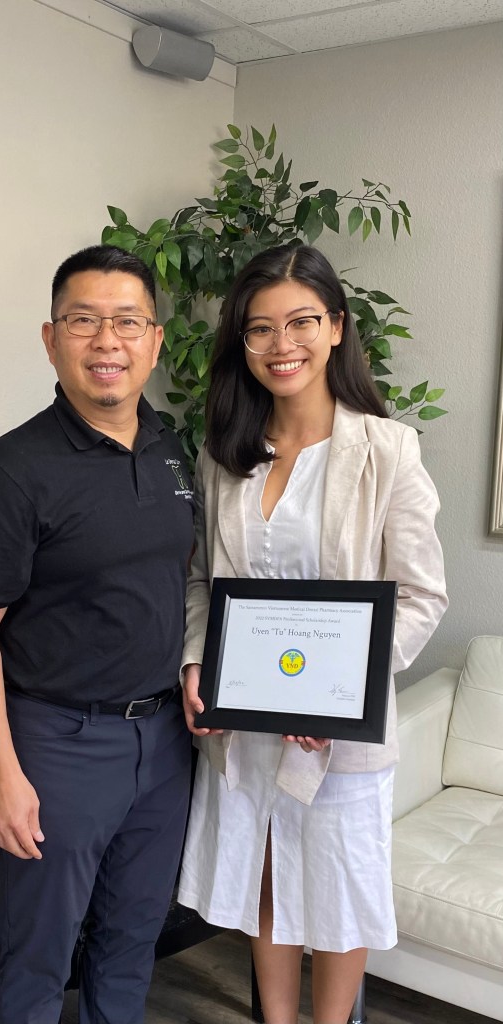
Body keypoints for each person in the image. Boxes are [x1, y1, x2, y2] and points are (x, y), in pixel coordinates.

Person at [178, 243, 447, 1024]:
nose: (281, 344)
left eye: (300, 322)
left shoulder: (386, 451)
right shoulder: (224, 453)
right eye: (260, 328)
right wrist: (196, 663)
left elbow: (421, 595)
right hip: (246, 721)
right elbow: (201, 582)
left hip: (335, 729)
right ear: (242, 342)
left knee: (337, 896)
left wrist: (338, 693)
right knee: (265, 876)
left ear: (335, 327)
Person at [0, 245, 194, 1024]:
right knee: (40, 956)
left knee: (132, 939)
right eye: (84, 321)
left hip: (166, 741)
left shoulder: (173, 449)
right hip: (60, 744)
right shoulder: (10, 470)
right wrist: (4, 774)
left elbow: (182, 586)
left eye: (127, 322)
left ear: (155, 340)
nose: (106, 341)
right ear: (51, 339)